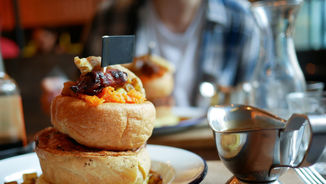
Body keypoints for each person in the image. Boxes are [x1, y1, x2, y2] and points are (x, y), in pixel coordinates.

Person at [82, 0, 260, 107]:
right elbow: (84, 97)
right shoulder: (109, 16)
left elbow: (254, 108)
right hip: (126, 151)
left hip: (212, 150)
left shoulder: (242, 21)